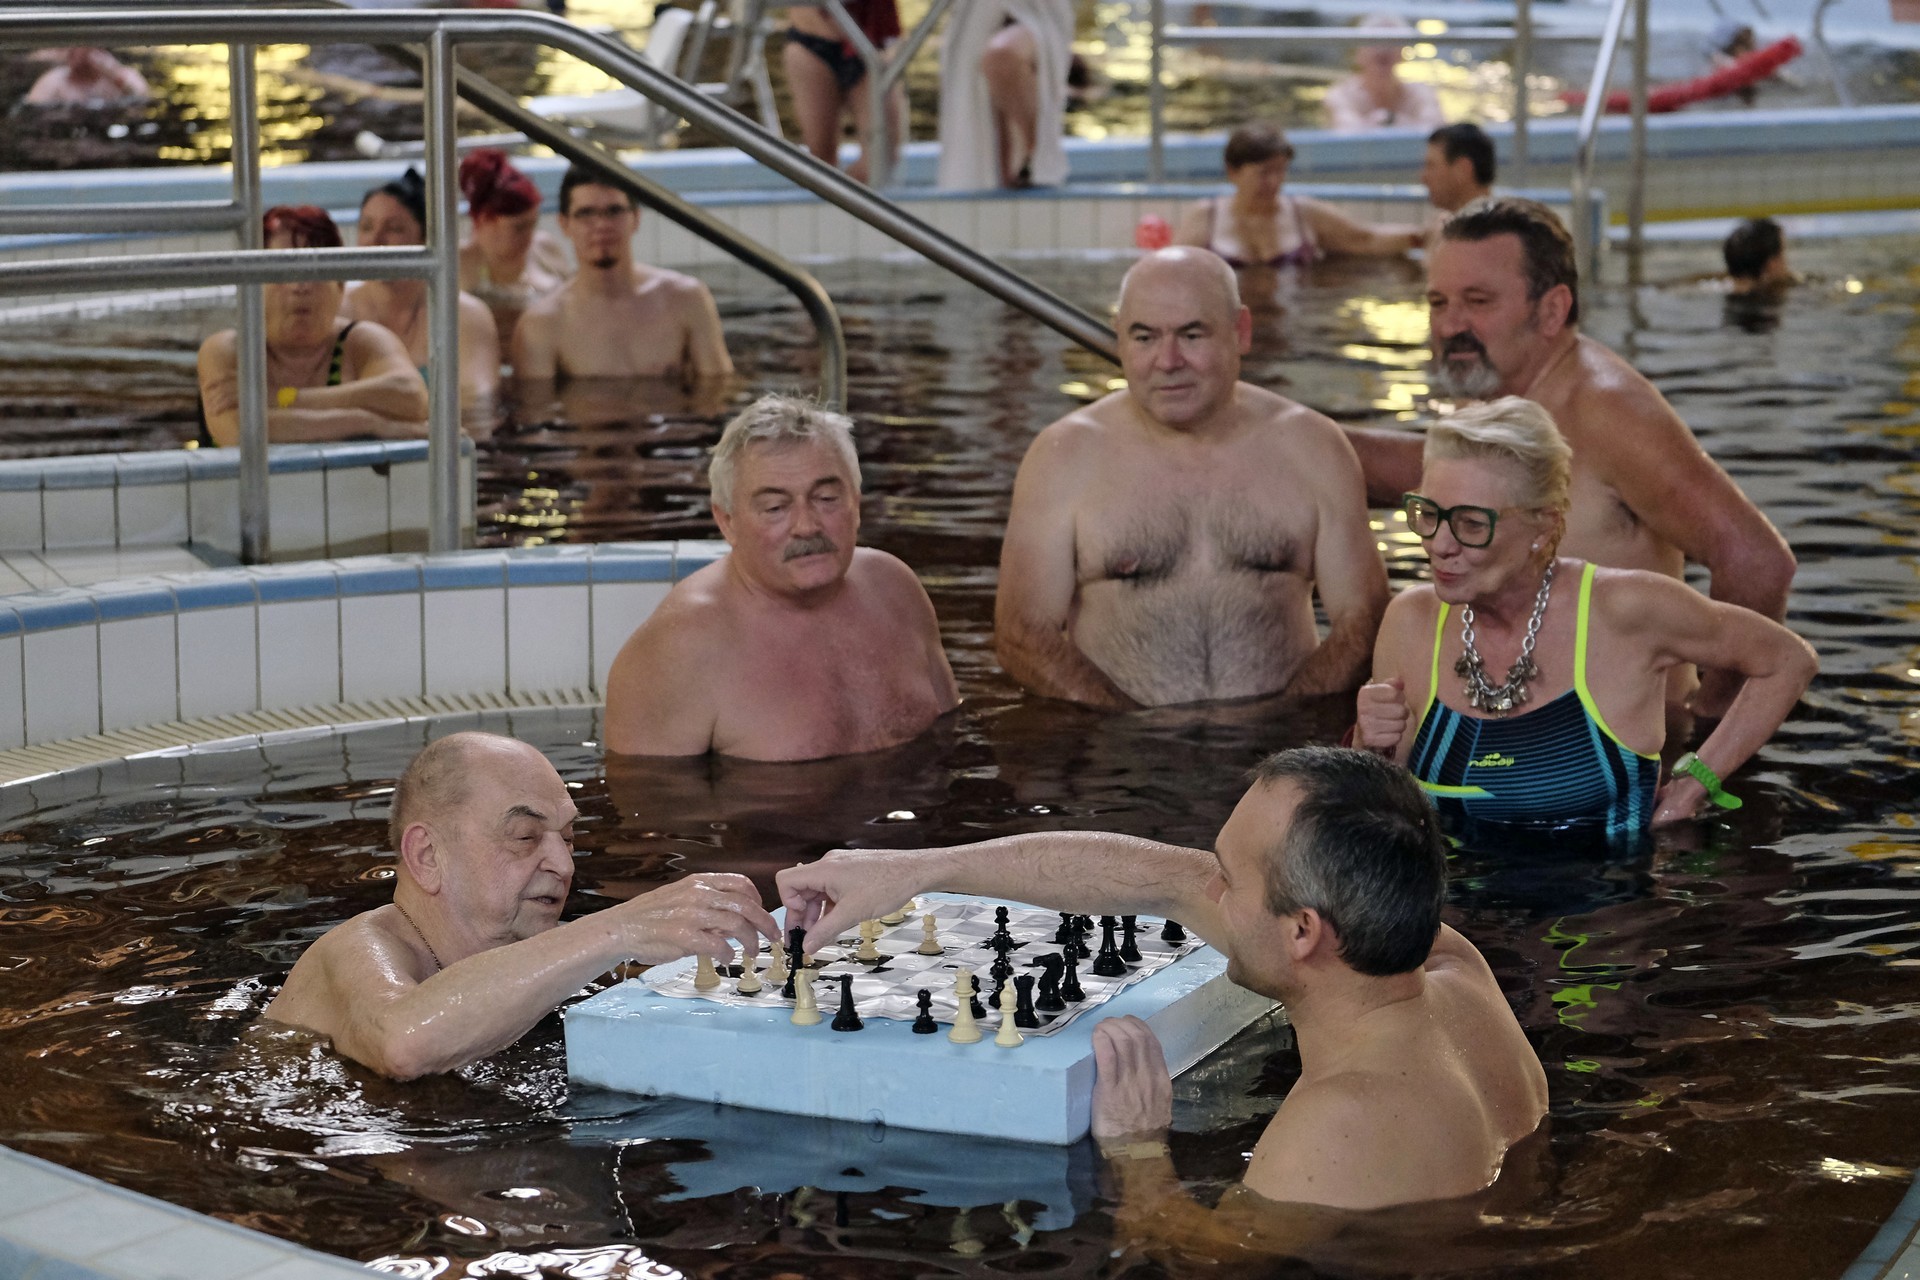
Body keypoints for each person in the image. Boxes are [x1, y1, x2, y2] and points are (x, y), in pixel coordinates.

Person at [776, 746, 1550, 1223]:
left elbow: (1206, 1259)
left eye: (1228, 881)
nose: (1204, 889)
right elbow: (1163, 879)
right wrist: (918, 870)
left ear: (1303, 932)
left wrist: (1139, 1153)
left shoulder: (1337, 1128)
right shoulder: (1452, 968)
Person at [1392, 197, 1798, 718]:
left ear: (1552, 310)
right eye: (1437, 302)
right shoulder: (1493, 402)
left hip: (1622, 752)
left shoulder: (1607, 409)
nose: (1450, 325)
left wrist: (1705, 734)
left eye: (1478, 301)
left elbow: (1757, 562)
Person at [1354, 398, 1816, 835]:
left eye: (1471, 524)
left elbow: (1786, 660)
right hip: (1451, 891)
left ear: (1544, 526)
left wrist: (1697, 784)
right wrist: (1370, 747)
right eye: (1428, 514)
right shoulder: (1410, 621)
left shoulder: (1625, 612)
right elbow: (1387, 817)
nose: (1439, 544)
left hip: (1608, 892)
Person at [995, 247, 1387, 708]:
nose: (1168, 360)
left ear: (1240, 332)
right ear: (1120, 338)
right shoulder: (1063, 456)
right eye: (1144, 337)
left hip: (1286, 734)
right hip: (1115, 739)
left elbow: (1365, 618)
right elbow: (1023, 632)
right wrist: (1123, 732)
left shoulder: (1311, 446)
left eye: (1192, 334)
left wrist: (1294, 727)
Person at [263, 731, 779, 1079]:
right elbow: (401, 1043)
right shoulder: (356, 948)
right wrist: (621, 928)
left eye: (568, 837)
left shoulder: (534, 948)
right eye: (525, 836)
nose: (564, 864)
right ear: (427, 856)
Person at [603, 394, 958, 760]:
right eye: (775, 507)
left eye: (826, 498)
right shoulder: (678, 650)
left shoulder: (895, 589)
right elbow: (648, 794)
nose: (806, 525)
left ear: (856, 503)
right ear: (727, 521)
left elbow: (952, 739)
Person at [196, 206, 429, 447]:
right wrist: (369, 423)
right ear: (253, 288)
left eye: (316, 272)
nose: (300, 286)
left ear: (340, 287)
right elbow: (242, 432)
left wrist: (279, 399)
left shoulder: (361, 342)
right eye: (283, 273)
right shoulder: (230, 350)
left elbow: (412, 397)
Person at [511, 167, 733, 383]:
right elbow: (536, 407)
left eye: (614, 211)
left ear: (636, 218)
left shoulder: (686, 299)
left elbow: (718, 392)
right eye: (586, 213)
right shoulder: (542, 326)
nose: (601, 225)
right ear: (565, 224)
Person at [341, 168, 503, 418]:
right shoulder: (339, 311)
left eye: (394, 228)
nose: (375, 239)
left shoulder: (465, 315)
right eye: (366, 227)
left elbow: (478, 407)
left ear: (426, 238)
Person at [1174, 125, 1423, 267]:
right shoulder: (1206, 217)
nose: (1274, 182)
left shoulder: (1304, 213)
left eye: (1280, 171)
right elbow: (1171, 273)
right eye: (1264, 173)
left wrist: (1421, 236)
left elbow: (1365, 240)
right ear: (1233, 172)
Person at [936, 0, 1074, 190]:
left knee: (1002, 59)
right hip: (972, 15)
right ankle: (1012, 177)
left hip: (1040, 10)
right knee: (983, 104)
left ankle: (1037, 158)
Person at [782, 1, 905, 184]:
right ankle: (837, 196)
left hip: (871, 45)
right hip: (811, 42)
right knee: (821, 156)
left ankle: (847, 196)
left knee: (882, 159)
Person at [457, 148, 571, 344]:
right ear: (485, 220)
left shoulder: (545, 249)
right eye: (519, 228)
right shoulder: (457, 266)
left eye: (533, 225)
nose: (529, 237)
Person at [1323, 17, 1445, 132]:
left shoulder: (1421, 93)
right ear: (1359, 54)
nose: (1383, 48)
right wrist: (1397, 123)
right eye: (1374, 42)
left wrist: (1389, 120)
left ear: (1402, 54)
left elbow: (1437, 131)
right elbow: (1346, 132)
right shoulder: (1340, 95)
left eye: (1392, 43)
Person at [1419, 121, 1495, 241]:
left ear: (1463, 169)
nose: (1423, 178)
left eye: (1432, 166)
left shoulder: (1487, 237)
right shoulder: (1448, 229)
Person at [24, 47, 149, 106]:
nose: (70, 50)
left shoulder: (121, 74)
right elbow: (32, 107)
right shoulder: (54, 80)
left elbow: (144, 98)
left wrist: (115, 76)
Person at [1723, 216, 1794, 295]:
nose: (1786, 262)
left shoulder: (1719, 287)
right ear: (1771, 265)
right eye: (1782, 253)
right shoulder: (1772, 299)